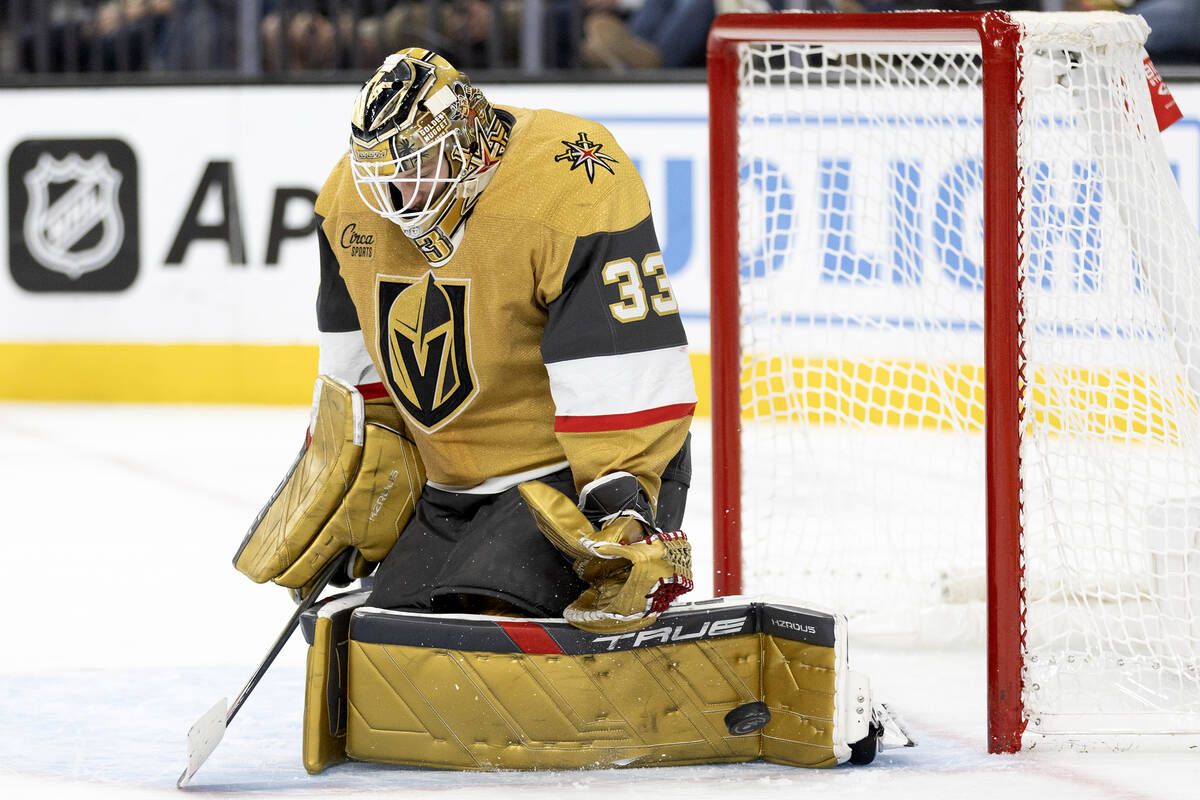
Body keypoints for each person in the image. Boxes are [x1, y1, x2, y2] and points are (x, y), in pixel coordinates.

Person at [234, 47, 698, 631]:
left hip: (565, 483)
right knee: (370, 637)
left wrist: (622, 511)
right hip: (448, 489)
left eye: (413, 166)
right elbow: (358, 386)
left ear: (465, 140)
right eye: (382, 177)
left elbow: (622, 370)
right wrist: (349, 477)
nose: (397, 200)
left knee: (484, 637)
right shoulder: (347, 204)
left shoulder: (572, 180)